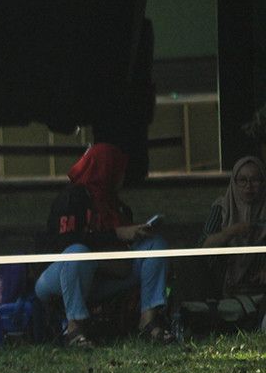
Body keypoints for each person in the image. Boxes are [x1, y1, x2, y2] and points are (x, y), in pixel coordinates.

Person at [33, 143, 171, 347]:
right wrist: (115, 234)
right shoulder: (73, 197)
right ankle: (74, 328)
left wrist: (134, 234)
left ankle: (147, 321)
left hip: (104, 276)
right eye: (118, 169)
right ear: (105, 169)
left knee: (155, 244)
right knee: (77, 253)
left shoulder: (115, 205)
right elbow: (61, 243)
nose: (122, 176)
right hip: (58, 277)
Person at [197, 155, 266, 297]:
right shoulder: (222, 208)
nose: (249, 186)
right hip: (220, 286)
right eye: (242, 180)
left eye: (255, 180)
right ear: (234, 183)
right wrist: (230, 232)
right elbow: (203, 247)